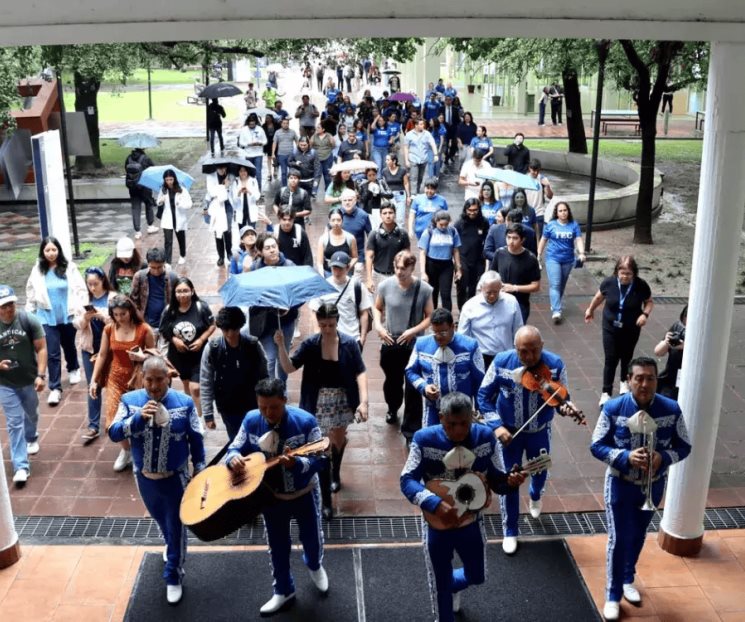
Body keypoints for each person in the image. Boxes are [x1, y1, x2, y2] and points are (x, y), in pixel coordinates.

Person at [401, 391, 526, 622]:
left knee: (477, 575)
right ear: (440, 418)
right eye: (452, 424)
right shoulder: (422, 439)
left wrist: (511, 483)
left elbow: (498, 480)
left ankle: (453, 585)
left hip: (471, 522)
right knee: (440, 584)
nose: (458, 430)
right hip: (436, 524)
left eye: (464, 424)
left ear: (472, 417)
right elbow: (407, 479)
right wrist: (433, 503)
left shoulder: (487, 438)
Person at [590, 357, 691, 621]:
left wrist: (664, 457)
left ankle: (627, 579)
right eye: (639, 378)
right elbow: (596, 445)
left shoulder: (672, 409)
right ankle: (612, 595)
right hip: (619, 485)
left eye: (650, 378)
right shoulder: (612, 408)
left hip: (653, 487)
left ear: (657, 380)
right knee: (619, 539)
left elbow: (685, 446)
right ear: (628, 381)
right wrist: (625, 457)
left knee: (637, 536)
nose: (644, 384)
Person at [226, 378, 329, 615]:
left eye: (273, 407)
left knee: (312, 539)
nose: (268, 413)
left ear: (284, 399)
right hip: (271, 499)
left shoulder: (306, 422)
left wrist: (298, 464)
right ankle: (283, 590)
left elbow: (321, 460)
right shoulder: (252, 420)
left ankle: (314, 564)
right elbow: (234, 447)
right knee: (276, 547)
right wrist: (232, 459)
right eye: (262, 407)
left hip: (304, 494)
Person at [109, 356, 205, 605]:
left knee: (176, 526)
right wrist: (137, 419)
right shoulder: (130, 402)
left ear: (169, 378)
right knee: (162, 520)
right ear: (142, 378)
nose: (153, 386)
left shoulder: (184, 403)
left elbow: (196, 439)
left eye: (159, 380)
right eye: (148, 380)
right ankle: (171, 546)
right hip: (144, 478)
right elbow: (114, 432)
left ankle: (173, 574)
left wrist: (201, 469)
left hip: (177, 479)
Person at [477, 325, 576, 555]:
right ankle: (510, 530)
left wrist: (567, 408)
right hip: (509, 435)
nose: (529, 357)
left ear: (542, 346)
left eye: (534, 351)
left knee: (539, 473)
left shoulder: (556, 364)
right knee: (510, 480)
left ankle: (535, 494)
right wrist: (496, 425)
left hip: (539, 431)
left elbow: (561, 399)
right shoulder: (501, 362)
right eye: (523, 352)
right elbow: (483, 396)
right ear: (515, 349)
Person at [276, 302, 368, 519]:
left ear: (337, 322)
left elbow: (360, 372)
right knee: (322, 447)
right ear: (318, 323)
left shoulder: (349, 343)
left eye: (331, 325)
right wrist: (281, 346)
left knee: (337, 439)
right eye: (323, 325)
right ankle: (326, 498)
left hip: (343, 398)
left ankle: (336, 471)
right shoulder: (310, 344)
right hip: (317, 400)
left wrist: (364, 402)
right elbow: (289, 367)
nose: (327, 329)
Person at [89, 295, 155, 472]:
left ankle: (140, 450)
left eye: (123, 314)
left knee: (142, 417)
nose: (119, 318)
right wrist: (93, 380)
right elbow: (102, 355)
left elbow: (154, 355)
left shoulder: (144, 329)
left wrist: (142, 357)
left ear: (131, 311)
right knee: (113, 421)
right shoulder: (109, 329)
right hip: (116, 378)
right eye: (116, 314)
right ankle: (126, 451)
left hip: (138, 379)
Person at [373, 250, 432, 434]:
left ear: (412, 268)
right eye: (397, 268)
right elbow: (377, 308)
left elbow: (430, 316)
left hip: (413, 344)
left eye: (404, 269)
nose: (400, 272)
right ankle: (393, 407)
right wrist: (379, 327)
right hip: (391, 341)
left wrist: (413, 331)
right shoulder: (385, 286)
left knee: (413, 385)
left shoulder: (423, 289)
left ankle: (411, 428)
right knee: (392, 381)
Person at [585, 255, 654, 407]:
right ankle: (606, 392)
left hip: (631, 327)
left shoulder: (640, 285)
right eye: (622, 273)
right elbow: (598, 297)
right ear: (616, 271)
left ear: (634, 273)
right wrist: (590, 310)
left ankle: (624, 381)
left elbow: (649, 302)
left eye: (628, 274)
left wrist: (645, 314)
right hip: (610, 326)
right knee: (611, 358)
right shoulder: (609, 283)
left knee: (627, 356)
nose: (624, 277)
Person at [25, 236, 86, 406]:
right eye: (47, 250)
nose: (51, 253)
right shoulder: (38, 270)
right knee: (51, 351)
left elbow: (80, 288)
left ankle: (73, 368)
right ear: (42, 252)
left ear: (58, 250)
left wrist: (82, 308)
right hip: (45, 316)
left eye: (54, 249)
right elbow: (30, 290)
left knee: (69, 344)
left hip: (67, 314)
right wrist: (30, 312)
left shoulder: (69, 267)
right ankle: (55, 388)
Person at [406, 307, 484, 428]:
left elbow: (479, 381)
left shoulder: (470, 346)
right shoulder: (421, 344)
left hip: (462, 413)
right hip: (432, 410)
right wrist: (424, 387)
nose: (438, 337)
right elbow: (410, 371)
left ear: (453, 327)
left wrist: (480, 411)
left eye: (443, 332)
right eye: (434, 332)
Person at [0, 285, 47, 485]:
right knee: (14, 422)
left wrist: (41, 375)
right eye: (4, 306)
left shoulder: (28, 320)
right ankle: (21, 466)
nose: (8, 309)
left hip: (28, 379)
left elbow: (42, 348)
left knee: (31, 413)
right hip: (5, 383)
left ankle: (32, 436)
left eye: (11, 304)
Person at [200, 306, 269, 440]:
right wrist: (208, 414)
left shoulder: (253, 345)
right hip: (228, 406)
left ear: (240, 327)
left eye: (235, 329)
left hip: (253, 402)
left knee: (258, 439)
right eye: (226, 330)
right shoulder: (213, 349)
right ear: (221, 328)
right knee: (236, 440)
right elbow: (206, 381)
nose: (230, 334)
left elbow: (264, 376)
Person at [159, 277, 215, 418]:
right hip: (179, 355)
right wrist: (174, 340)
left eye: (185, 291)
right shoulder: (169, 310)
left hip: (199, 355)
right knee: (186, 386)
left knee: (195, 388)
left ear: (192, 291)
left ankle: (199, 418)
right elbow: (164, 329)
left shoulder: (200, 307)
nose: (182, 294)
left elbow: (212, 325)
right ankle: (191, 414)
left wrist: (202, 340)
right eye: (178, 291)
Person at [246, 234, 298, 383]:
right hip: (264, 321)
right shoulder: (256, 268)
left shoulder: (289, 267)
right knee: (270, 358)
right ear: (261, 252)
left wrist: (289, 306)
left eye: (274, 247)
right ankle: (269, 388)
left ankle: (281, 387)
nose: (272, 251)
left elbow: (299, 295)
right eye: (267, 248)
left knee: (283, 356)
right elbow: (252, 294)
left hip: (286, 322)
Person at [73, 267, 115, 444]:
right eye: (89, 284)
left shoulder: (112, 297)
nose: (92, 287)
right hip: (89, 348)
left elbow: (117, 321)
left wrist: (101, 315)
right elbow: (76, 324)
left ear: (102, 280)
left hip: (111, 349)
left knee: (115, 384)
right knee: (93, 385)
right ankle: (93, 425)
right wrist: (86, 318)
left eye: (95, 283)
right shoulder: (84, 299)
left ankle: (115, 421)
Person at [458, 272, 523, 370]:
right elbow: (463, 336)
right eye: (488, 292)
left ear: (501, 287)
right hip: (481, 357)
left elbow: (518, 330)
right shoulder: (469, 306)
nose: (492, 296)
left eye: (496, 292)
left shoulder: (512, 302)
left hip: (506, 355)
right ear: (481, 288)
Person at [310, 251, 372, 347]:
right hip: (329, 339)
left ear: (348, 268)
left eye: (340, 268)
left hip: (352, 339)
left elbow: (364, 312)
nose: (337, 272)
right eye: (334, 268)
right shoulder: (322, 286)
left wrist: (362, 338)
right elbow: (314, 310)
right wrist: (317, 333)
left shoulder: (358, 287)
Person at [537, 201, 585, 324]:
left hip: (568, 259)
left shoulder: (574, 225)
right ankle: (556, 311)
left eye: (565, 210)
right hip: (553, 258)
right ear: (556, 213)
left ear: (568, 212)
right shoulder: (551, 225)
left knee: (561, 284)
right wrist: (538, 254)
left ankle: (555, 303)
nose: (563, 213)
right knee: (555, 284)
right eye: (560, 211)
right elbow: (543, 239)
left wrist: (581, 252)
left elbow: (578, 239)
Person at [492, 224, 542, 323]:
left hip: (520, 304)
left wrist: (514, 288)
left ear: (522, 240)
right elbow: (492, 274)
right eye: (509, 237)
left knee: (518, 334)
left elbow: (536, 286)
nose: (511, 241)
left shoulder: (530, 258)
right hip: (500, 301)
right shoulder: (499, 253)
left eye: (515, 238)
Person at [130, 247, 178, 345]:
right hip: (146, 323)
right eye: (153, 267)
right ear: (148, 264)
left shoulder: (172, 277)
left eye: (159, 267)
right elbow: (133, 302)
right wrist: (144, 324)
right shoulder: (140, 277)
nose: (156, 271)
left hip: (166, 324)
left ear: (164, 263)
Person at [418, 210, 462, 312]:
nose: (443, 227)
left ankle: (447, 319)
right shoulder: (429, 232)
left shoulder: (452, 231)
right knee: (433, 292)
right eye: (441, 224)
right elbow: (422, 253)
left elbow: (456, 251)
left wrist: (458, 269)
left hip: (446, 265)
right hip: (432, 264)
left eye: (446, 224)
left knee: (446, 293)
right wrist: (423, 272)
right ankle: (432, 318)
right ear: (435, 222)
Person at [365, 203, 410, 293]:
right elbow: (369, 257)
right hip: (378, 275)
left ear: (395, 214)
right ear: (380, 215)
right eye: (384, 213)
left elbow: (407, 256)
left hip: (397, 275)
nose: (388, 216)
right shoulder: (374, 234)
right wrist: (369, 279)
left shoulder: (403, 234)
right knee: (378, 305)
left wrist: (407, 275)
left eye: (390, 212)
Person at [454, 199, 489, 310]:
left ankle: (470, 311)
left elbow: (487, 240)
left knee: (473, 287)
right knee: (462, 287)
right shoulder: (459, 223)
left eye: (475, 210)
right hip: (463, 259)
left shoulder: (484, 222)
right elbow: (454, 244)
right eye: (470, 210)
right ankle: (462, 311)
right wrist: (457, 263)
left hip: (478, 259)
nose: (472, 213)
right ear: (465, 210)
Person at [156, 169, 193, 266]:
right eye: (167, 180)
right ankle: (168, 261)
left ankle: (182, 255)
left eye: (171, 179)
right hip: (168, 218)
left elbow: (189, 204)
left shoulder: (182, 189)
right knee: (168, 241)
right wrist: (161, 200)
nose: (169, 182)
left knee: (181, 238)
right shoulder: (163, 190)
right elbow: (158, 201)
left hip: (179, 218)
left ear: (174, 179)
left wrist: (180, 204)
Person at [654, 305, 687, 400]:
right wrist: (666, 342)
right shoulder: (678, 327)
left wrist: (686, 347)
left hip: (688, 378)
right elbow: (658, 352)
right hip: (670, 377)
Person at [124, 147, 158, 240]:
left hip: (133, 186)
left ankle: (137, 232)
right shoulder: (145, 158)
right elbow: (153, 170)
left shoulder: (129, 158)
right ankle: (150, 226)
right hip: (144, 186)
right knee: (148, 204)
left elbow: (126, 170)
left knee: (135, 208)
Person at [205, 164, 234, 268]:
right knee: (218, 231)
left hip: (228, 205)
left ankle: (229, 253)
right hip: (217, 206)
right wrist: (224, 187)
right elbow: (211, 192)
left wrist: (225, 189)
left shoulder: (230, 175)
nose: (222, 170)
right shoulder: (210, 176)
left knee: (228, 230)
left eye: (224, 168)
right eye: (220, 168)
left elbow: (232, 191)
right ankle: (220, 256)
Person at [317, 208, 357, 275]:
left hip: (345, 273)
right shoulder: (323, 239)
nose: (336, 223)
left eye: (338, 220)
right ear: (329, 221)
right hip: (328, 272)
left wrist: (348, 268)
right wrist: (322, 275)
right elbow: (320, 262)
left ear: (342, 220)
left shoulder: (350, 238)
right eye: (333, 220)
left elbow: (355, 257)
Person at [403, 118, 439, 194]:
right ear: (416, 125)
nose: (423, 126)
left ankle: (417, 192)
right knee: (413, 178)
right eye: (421, 124)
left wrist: (435, 154)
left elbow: (432, 144)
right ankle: (413, 195)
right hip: (413, 159)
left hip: (423, 159)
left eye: (423, 124)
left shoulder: (427, 134)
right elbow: (406, 147)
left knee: (420, 178)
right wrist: (406, 160)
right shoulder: (409, 134)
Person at [408, 176, 449, 242]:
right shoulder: (417, 199)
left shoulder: (442, 200)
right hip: (420, 231)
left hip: (436, 231)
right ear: (424, 188)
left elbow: (446, 216)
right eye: (427, 188)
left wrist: (446, 229)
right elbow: (412, 215)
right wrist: (410, 229)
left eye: (432, 189)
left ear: (436, 189)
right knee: (423, 250)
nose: (429, 191)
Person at [340, 188, 372, 269]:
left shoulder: (363, 215)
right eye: (345, 200)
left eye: (350, 200)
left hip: (358, 256)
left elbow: (370, 236)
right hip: (340, 255)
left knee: (357, 280)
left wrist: (370, 255)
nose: (347, 203)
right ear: (341, 201)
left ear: (355, 200)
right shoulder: (336, 214)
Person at [236, 114, 267, 193]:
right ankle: (250, 189)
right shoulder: (244, 130)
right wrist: (248, 144)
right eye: (250, 124)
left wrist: (260, 143)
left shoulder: (260, 129)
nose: (252, 126)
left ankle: (259, 191)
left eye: (253, 124)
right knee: (250, 173)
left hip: (258, 154)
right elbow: (240, 142)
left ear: (256, 123)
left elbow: (265, 141)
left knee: (258, 173)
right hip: (248, 154)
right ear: (248, 123)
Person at [525, 159, 554, 238]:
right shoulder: (524, 179)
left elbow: (550, 196)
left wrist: (547, 186)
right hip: (527, 213)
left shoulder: (543, 179)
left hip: (539, 213)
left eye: (537, 171)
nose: (535, 173)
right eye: (533, 170)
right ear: (529, 168)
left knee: (538, 237)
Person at [381, 153, 410, 229]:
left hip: (400, 195)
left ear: (394, 161)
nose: (386, 162)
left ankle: (400, 234)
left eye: (388, 160)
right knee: (389, 216)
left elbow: (406, 183)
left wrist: (408, 196)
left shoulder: (402, 170)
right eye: (386, 160)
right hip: (389, 196)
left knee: (400, 219)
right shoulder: (384, 171)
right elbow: (384, 184)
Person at [231, 165, 263, 230]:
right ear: (238, 172)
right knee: (241, 231)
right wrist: (239, 193)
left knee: (252, 230)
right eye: (241, 171)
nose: (243, 173)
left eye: (245, 171)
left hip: (251, 210)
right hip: (240, 211)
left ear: (247, 171)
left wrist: (249, 192)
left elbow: (257, 197)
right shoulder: (236, 182)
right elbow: (234, 200)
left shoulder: (253, 180)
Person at [272, 117, 299, 187]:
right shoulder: (277, 132)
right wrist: (273, 154)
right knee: (284, 172)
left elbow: (297, 142)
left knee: (292, 172)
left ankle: (292, 186)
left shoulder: (293, 132)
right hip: (281, 155)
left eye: (287, 123)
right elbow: (274, 143)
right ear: (281, 124)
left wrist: (298, 152)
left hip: (291, 155)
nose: (285, 125)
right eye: (284, 123)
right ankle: (284, 187)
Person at [310, 123, 336, 193]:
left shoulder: (328, 135)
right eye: (317, 128)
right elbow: (310, 145)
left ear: (323, 129)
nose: (317, 129)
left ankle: (328, 191)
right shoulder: (314, 136)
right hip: (317, 158)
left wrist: (331, 141)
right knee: (317, 175)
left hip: (327, 157)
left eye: (318, 128)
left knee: (327, 175)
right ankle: (314, 191)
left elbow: (333, 145)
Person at [262, 114, 278, 185]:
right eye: (266, 118)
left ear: (271, 118)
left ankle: (275, 170)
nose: (267, 119)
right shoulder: (263, 126)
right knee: (268, 157)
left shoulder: (276, 125)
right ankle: (269, 172)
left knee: (274, 157)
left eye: (269, 118)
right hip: (267, 143)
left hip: (275, 142)